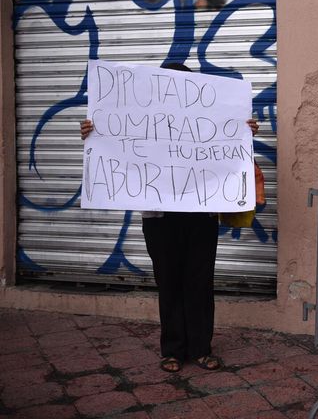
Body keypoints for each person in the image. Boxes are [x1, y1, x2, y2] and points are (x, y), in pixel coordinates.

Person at [80, 63, 259, 373]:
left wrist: (244, 131)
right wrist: (93, 132)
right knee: (169, 282)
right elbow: (114, 141)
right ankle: (173, 350)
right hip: (159, 216)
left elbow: (226, 144)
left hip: (201, 212)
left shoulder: (204, 117)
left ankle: (201, 348)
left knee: (199, 282)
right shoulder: (143, 115)